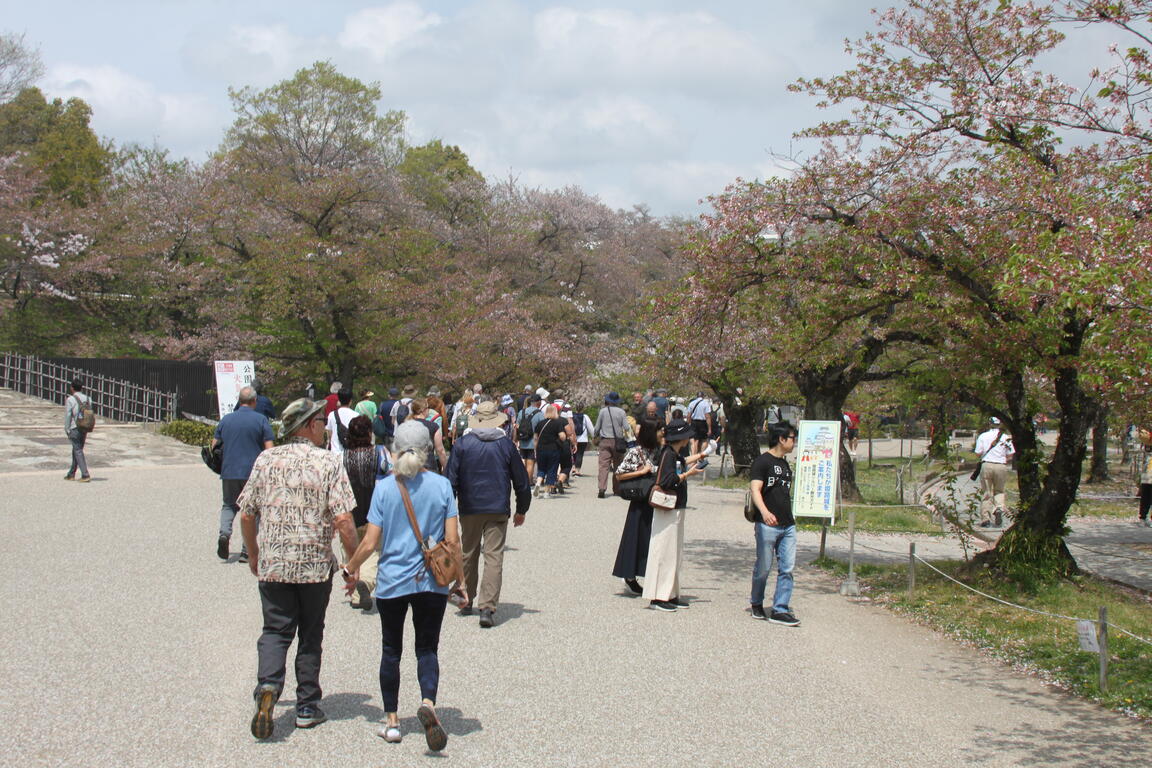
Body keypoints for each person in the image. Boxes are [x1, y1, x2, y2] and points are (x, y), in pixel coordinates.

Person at [238, 398, 359, 739]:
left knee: (275, 631)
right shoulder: (328, 462)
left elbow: (246, 513)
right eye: (322, 420)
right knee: (310, 634)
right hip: (314, 566)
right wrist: (353, 563)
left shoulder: (266, 459)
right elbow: (344, 520)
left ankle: (267, 687)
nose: (326, 426)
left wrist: (253, 552)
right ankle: (306, 706)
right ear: (307, 425)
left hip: (274, 562)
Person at [342, 421, 466, 750]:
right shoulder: (441, 486)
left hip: (393, 581)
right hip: (432, 583)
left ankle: (393, 722)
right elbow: (453, 542)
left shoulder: (385, 488)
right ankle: (428, 703)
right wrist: (461, 583)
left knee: (391, 651)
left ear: (394, 449)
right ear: (427, 451)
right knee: (427, 649)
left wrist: (350, 569)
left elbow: (369, 543)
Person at [445, 401, 532, 627]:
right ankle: (487, 607)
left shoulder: (463, 444)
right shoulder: (505, 445)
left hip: (470, 506)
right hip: (497, 506)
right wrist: (522, 508)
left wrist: (447, 509)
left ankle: (465, 598)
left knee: (468, 553)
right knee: (493, 556)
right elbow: (521, 481)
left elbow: (450, 480)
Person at [641, 418, 706, 611]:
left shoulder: (673, 453)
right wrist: (687, 475)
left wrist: (700, 457)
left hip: (675, 506)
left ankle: (670, 593)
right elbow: (668, 479)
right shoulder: (668, 454)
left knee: (674, 552)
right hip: (667, 506)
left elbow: (681, 465)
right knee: (664, 550)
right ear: (682, 438)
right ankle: (659, 597)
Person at [211, 385, 274, 562]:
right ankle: (247, 549)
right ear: (254, 401)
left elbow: (214, 445)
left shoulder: (226, 420)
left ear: (239, 401)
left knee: (229, 505)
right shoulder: (261, 420)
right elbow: (269, 449)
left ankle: (224, 533)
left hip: (229, 470)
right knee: (252, 509)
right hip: (252, 473)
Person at [748, 421, 800, 627]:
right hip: (767, 524)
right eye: (792, 438)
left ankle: (780, 608)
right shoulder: (762, 462)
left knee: (787, 568)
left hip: (788, 524)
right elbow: (755, 490)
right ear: (781, 439)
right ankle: (756, 602)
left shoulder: (786, 464)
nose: (794, 442)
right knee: (764, 567)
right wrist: (765, 512)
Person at [343, 415, 389, 609]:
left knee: (351, 551)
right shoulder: (380, 452)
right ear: (369, 433)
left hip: (350, 512)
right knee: (373, 550)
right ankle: (367, 582)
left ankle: (354, 594)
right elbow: (390, 476)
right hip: (375, 510)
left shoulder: (342, 457)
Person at [611, 420, 662, 595]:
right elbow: (619, 475)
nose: (662, 434)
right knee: (636, 538)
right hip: (640, 502)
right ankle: (630, 576)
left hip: (654, 501)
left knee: (650, 540)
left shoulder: (659, 451)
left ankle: (649, 575)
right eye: (659, 431)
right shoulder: (636, 452)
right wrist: (641, 472)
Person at [974, 416, 1015, 528]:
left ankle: (986, 519)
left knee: (987, 492)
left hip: (987, 465)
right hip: (1001, 465)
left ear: (989, 424)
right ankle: (998, 508)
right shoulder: (1005, 437)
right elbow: (1011, 453)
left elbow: (978, 453)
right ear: (1000, 424)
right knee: (999, 491)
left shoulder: (983, 436)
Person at [593, 391, 629, 499]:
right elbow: (627, 427)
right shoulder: (622, 412)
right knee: (618, 466)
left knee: (604, 466)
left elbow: (597, 428)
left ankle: (602, 488)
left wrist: (595, 436)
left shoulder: (603, 411)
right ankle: (617, 489)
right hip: (618, 442)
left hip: (604, 441)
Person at [533, 404, 568, 497]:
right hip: (553, 449)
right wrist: (563, 438)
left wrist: (536, 449)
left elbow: (535, 438)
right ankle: (546, 492)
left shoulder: (540, 423)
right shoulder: (557, 423)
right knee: (551, 470)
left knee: (541, 469)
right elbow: (562, 436)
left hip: (541, 449)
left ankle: (537, 484)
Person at [63, 379, 93, 482]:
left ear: (72, 388)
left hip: (74, 427)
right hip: (84, 427)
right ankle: (71, 473)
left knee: (78, 450)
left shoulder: (71, 399)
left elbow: (68, 415)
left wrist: (66, 428)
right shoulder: (88, 399)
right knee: (77, 449)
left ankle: (85, 474)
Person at [515, 393, 545, 479]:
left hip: (522, 440)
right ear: (538, 402)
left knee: (523, 461)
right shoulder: (539, 413)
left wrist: (516, 439)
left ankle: (522, 479)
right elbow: (542, 428)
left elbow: (517, 426)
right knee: (530, 463)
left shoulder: (522, 412)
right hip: (533, 442)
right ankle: (528, 481)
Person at [326, 389, 358, 454]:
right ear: (350, 401)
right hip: (350, 454)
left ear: (339, 400)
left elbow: (329, 434)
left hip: (335, 453)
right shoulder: (356, 415)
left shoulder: (332, 415)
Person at [687, 392, 714, 457]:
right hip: (703, 423)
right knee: (704, 440)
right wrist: (709, 428)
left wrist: (688, 424)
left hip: (694, 422)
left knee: (695, 440)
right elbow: (707, 416)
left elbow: (688, 415)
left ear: (697, 396)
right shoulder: (706, 403)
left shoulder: (691, 403)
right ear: (703, 396)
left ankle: (694, 456)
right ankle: (701, 456)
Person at [572, 403, 593, 476]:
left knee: (574, 453)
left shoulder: (572, 416)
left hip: (573, 438)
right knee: (580, 454)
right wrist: (594, 436)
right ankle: (577, 470)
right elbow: (590, 428)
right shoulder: (585, 417)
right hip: (583, 438)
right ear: (583, 408)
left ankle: (573, 467)